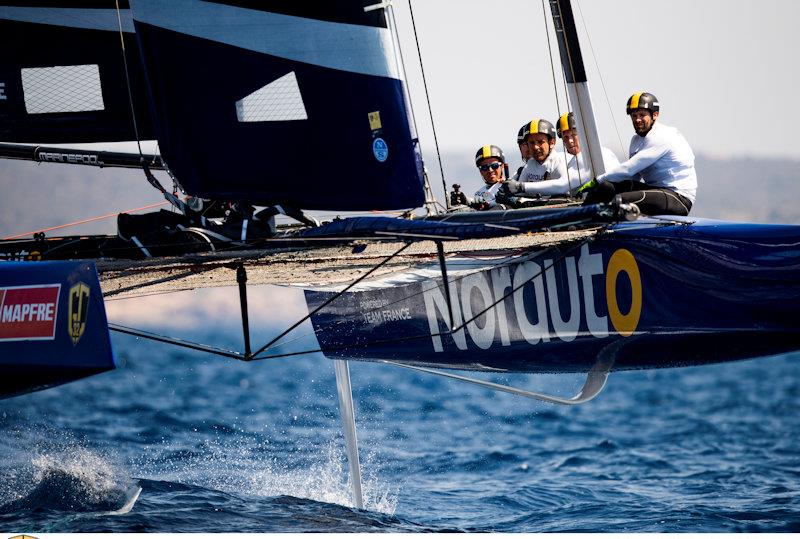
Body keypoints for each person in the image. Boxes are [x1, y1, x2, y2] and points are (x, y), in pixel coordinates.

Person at [579, 92, 696, 216]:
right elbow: (634, 177)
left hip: (678, 198)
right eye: (634, 116)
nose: (637, 120)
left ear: (655, 115)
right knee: (606, 188)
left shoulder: (663, 136)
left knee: (619, 200)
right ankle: (576, 218)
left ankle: (593, 225)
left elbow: (629, 169)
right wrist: (601, 188)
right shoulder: (636, 141)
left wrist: (597, 180)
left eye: (642, 115)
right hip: (655, 191)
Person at [498, 118, 567, 198]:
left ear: (552, 143)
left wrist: (521, 187)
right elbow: (519, 192)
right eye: (531, 143)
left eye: (540, 142)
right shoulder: (530, 164)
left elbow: (563, 187)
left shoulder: (560, 160)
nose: (535, 147)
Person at [470, 145, 509, 210]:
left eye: (494, 165)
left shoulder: (511, 187)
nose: (490, 170)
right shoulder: (478, 194)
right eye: (484, 167)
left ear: (502, 166)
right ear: (480, 171)